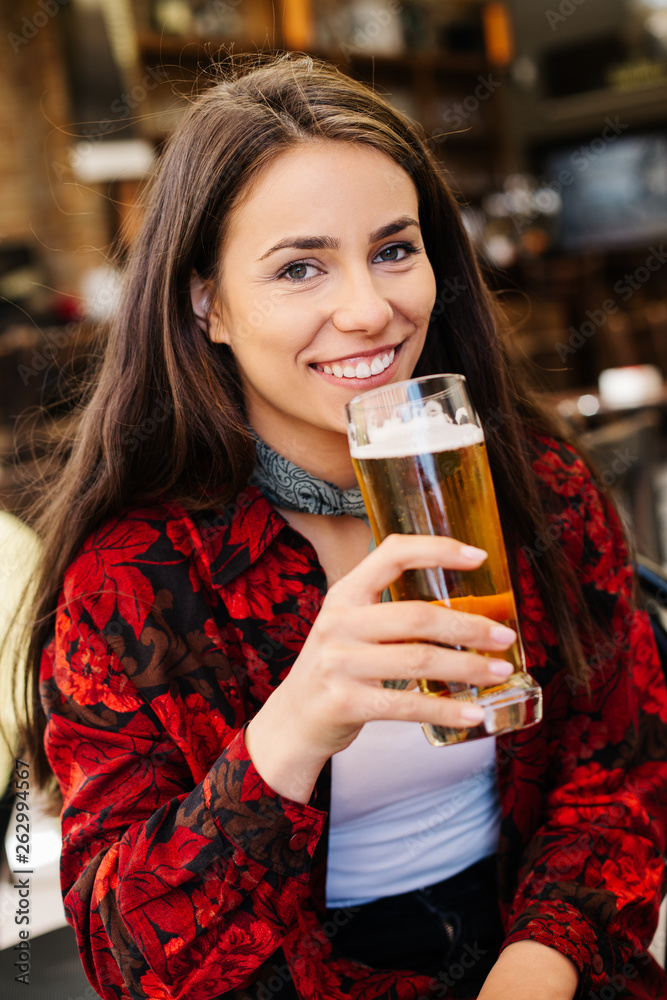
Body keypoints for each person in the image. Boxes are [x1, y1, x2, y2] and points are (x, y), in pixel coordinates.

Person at [17, 53, 667, 1000]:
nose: (369, 310)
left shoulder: (540, 489)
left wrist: (537, 965)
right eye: (299, 267)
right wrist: (297, 721)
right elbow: (127, 958)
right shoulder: (135, 579)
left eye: (394, 250)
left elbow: (620, 778)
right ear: (207, 303)